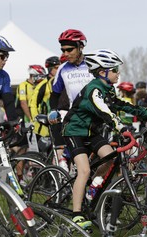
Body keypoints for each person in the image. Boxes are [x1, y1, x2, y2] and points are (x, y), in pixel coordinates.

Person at [62, 49, 147, 229]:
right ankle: (77, 214)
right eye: (115, 69)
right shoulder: (94, 89)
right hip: (74, 131)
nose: (118, 73)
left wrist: (145, 112)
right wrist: (122, 128)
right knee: (84, 171)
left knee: (110, 158)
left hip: (91, 132)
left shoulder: (108, 89)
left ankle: (93, 189)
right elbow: (105, 112)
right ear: (103, 72)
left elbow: (119, 104)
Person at [48, 29, 93, 171]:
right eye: (63, 50)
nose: (65, 54)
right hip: (75, 119)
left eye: (69, 49)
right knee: (81, 165)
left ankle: (66, 157)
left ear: (81, 47)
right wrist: (53, 111)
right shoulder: (62, 69)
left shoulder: (92, 65)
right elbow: (54, 95)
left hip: (94, 119)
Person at [30, 56, 61, 138]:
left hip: (60, 122)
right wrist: (36, 118)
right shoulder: (42, 85)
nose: (59, 70)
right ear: (50, 69)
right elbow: (33, 104)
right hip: (46, 125)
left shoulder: (63, 81)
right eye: (57, 68)